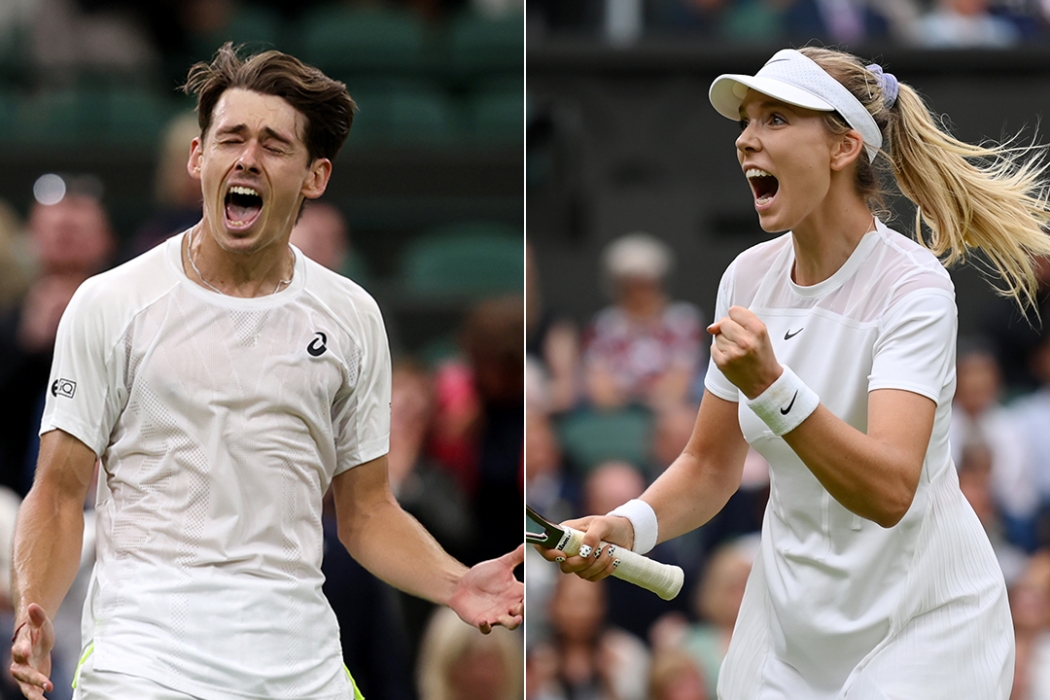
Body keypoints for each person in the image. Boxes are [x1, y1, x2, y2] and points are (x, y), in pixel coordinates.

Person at [9, 43, 523, 700]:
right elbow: (56, 493)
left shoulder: (352, 317)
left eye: (275, 145)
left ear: (315, 177)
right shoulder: (110, 303)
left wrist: (455, 582)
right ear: (199, 158)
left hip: (301, 668)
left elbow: (365, 510)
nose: (248, 157)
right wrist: (38, 610)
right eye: (231, 138)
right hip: (142, 667)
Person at [540, 46, 1050, 698]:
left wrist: (773, 387)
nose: (746, 140)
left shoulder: (912, 287)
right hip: (787, 630)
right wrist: (625, 524)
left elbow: (891, 489)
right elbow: (708, 466)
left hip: (923, 627)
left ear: (841, 148)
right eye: (746, 121)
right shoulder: (746, 277)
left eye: (775, 119)